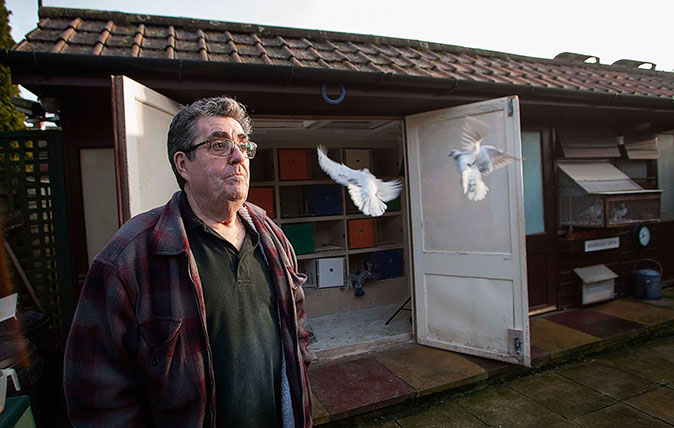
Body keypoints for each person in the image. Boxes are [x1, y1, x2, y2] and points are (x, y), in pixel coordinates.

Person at [64, 96, 313, 428]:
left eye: (242, 145)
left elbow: (297, 330)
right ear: (183, 164)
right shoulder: (129, 257)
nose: (239, 157)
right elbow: (96, 397)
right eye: (219, 145)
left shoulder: (271, 237)